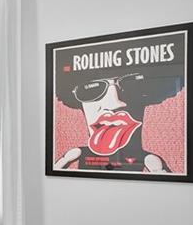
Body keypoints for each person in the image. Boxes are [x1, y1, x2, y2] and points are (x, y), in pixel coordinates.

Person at [53, 55, 183, 173]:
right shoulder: (77, 153)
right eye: (92, 89)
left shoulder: (148, 159)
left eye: (133, 86)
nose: (114, 104)